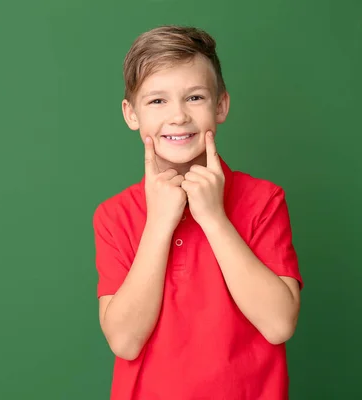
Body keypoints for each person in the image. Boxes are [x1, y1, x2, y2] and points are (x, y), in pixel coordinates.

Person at [92, 25, 303, 400]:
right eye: (157, 101)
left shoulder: (264, 200)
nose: (178, 116)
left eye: (194, 97)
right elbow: (124, 342)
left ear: (220, 105)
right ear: (131, 113)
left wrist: (214, 217)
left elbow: (278, 324)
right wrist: (158, 223)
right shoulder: (114, 216)